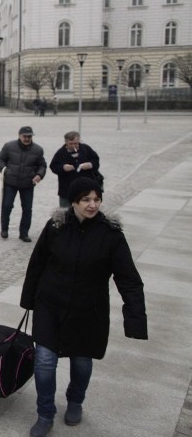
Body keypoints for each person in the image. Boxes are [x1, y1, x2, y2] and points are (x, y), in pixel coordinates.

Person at [20, 177, 147, 436]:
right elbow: (37, 264)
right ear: (74, 201)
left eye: (97, 199)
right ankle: (45, 413)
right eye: (86, 199)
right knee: (44, 361)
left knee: (81, 361)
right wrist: (29, 300)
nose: (93, 205)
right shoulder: (55, 226)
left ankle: (75, 400)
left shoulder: (110, 234)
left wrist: (135, 318)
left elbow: (129, 279)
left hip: (88, 311)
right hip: (50, 306)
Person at [0, 126, 46, 242]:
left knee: (27, 209)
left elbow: (42, 165)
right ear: (19, 135)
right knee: (7, 206)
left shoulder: (38, 150)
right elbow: (0, 159)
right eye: (25, 136)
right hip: (10, 182)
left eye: (29, 136)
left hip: (28, 183)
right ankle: (4, 229)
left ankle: (24, 233)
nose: (27, 139)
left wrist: (39, 175)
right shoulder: (9, 146)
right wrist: (5, 170)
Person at [49, 131, 100, 208]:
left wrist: (90, 165)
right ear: (66, 142)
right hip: (67, 190)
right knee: (66, 214)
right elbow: (53, 166)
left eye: (76, 143)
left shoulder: (86, 149)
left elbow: (95, 161)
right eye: (71, 144)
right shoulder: (61, 153)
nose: (74, 146)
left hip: (86, 189)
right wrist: (63, 167)